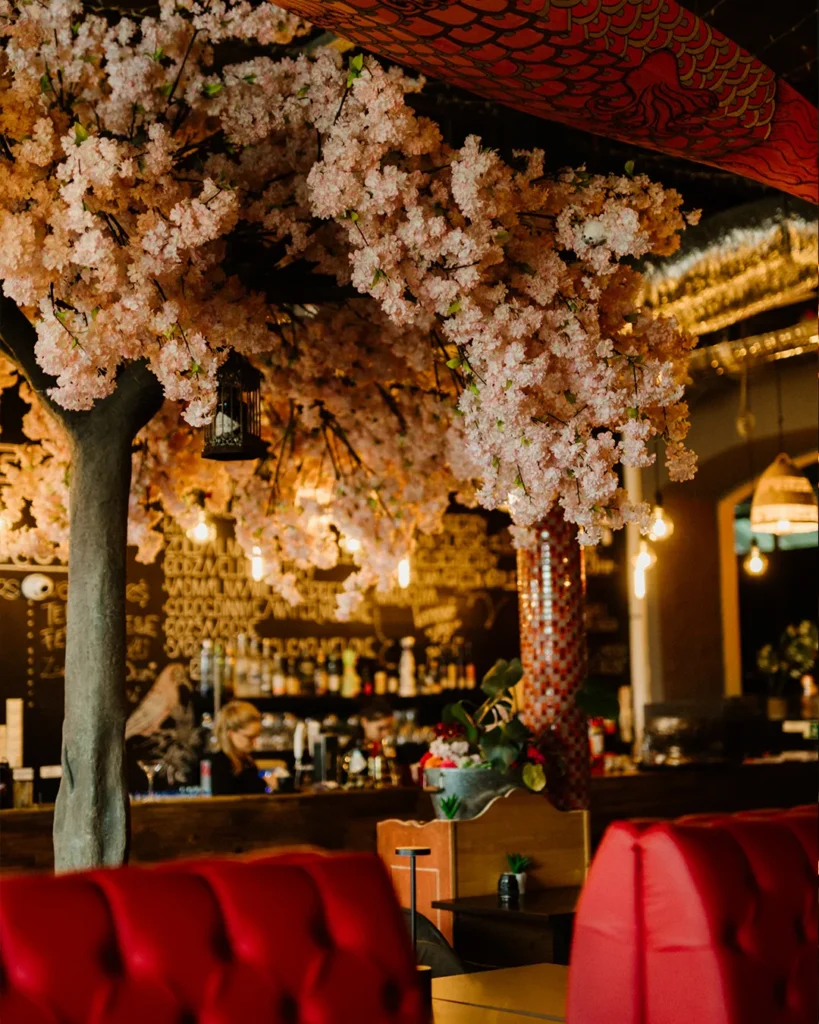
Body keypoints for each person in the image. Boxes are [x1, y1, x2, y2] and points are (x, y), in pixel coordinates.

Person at [211, 700, 267, 796]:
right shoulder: (219, 763)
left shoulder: (247, 760)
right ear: (230, 734)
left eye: (256, 736)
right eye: (250, 737)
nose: (255, 742)